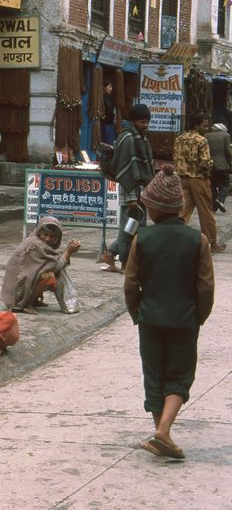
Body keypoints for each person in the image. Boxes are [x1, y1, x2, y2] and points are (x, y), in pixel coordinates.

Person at [123, 165, 214, 460]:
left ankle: (161, 432)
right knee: (179, 376)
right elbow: (205, 287)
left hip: (150, 319)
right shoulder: (197, 240)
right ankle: (163, 432)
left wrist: (138, 314)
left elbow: (130, 284)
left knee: (154, 376)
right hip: (184, 319)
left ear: (158, 209)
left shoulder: (143, 238)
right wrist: (197, 317)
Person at [99, 104, 154, 273]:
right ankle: (124, 262)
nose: (145, 125)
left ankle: (110, 254)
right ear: (133, 121)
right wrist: (130, 198)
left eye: (147, 122)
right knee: (128, 228)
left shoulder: (141, 138)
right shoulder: (128, 138)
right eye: (142, 122)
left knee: (137, 227)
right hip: (129, 189)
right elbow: (126, 168)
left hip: (141, 189)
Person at [0, 216, 81, 315]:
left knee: (46, 273)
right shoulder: (35, 244)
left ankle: (33, 300)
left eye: (52, 236)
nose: (48, 239)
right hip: (17, 292)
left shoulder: (39, 243)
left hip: (23, 283)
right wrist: (68, 252)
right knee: (49, 277)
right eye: (45, 234)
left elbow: (48, 264)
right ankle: (26, 304)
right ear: (39, 232)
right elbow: (55, 267)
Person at [173, 113, 224, 253]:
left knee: (182, 212)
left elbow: (176, 159)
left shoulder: (179, 138)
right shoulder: (202, 140)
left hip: (182, 179)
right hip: (199, 179)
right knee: (206, 212)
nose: (206, 128)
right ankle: (212, 243)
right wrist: (212, 165)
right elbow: (205, 162)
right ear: (196, 125)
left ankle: (174, 239)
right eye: (204, 125)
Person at [205, 121, 231, 214]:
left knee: (212, 184)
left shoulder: (207, 136)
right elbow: (228, 151)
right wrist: (229, 162)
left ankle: (214, 205)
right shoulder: (226, 136)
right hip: (222, 165)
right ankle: (219, 200)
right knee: (225, 184)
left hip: (210, 165)